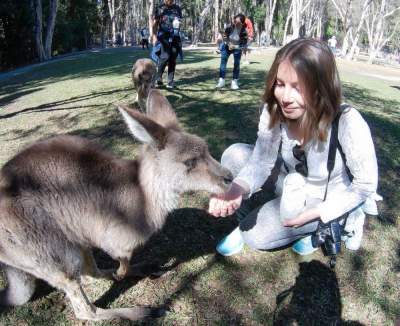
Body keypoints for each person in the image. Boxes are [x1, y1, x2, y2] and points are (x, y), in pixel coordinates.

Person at [209, 38, 381, 257]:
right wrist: (236, 190)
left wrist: (320, 212)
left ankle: (347, 218)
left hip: (325, 198)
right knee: (234, 155)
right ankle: (245, 222)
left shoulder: (347, 120)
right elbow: (261, 160)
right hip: (292, 183)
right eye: (280, 84)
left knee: (256, 236)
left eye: (298, 88)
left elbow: (365, 184)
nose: (285, 98)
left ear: (321, 87)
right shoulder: (274, 108)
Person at [152, 0, 183, 89]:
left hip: (175, 36)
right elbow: (155, 24)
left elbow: (180, 22)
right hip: (163, 36)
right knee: (165, 57)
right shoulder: (160, 8)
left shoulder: (177, 9)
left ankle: (170, 82)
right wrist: (154, 36)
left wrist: (178, 23)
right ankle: (159, 77)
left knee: (173, 58)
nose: (169, 1)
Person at [215, 14, 248, 90]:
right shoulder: (230, 27)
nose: (235, 22)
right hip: (226, 46)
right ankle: (221, 81)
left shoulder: (244, 31)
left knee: (236, 64)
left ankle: (234, 82)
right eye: (234, 20)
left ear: (242, 23)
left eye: (237, 22)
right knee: (223, 63)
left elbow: (243, 44)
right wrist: (229, 44)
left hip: (237, 48)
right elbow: (224, 36)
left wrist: (237, 47)